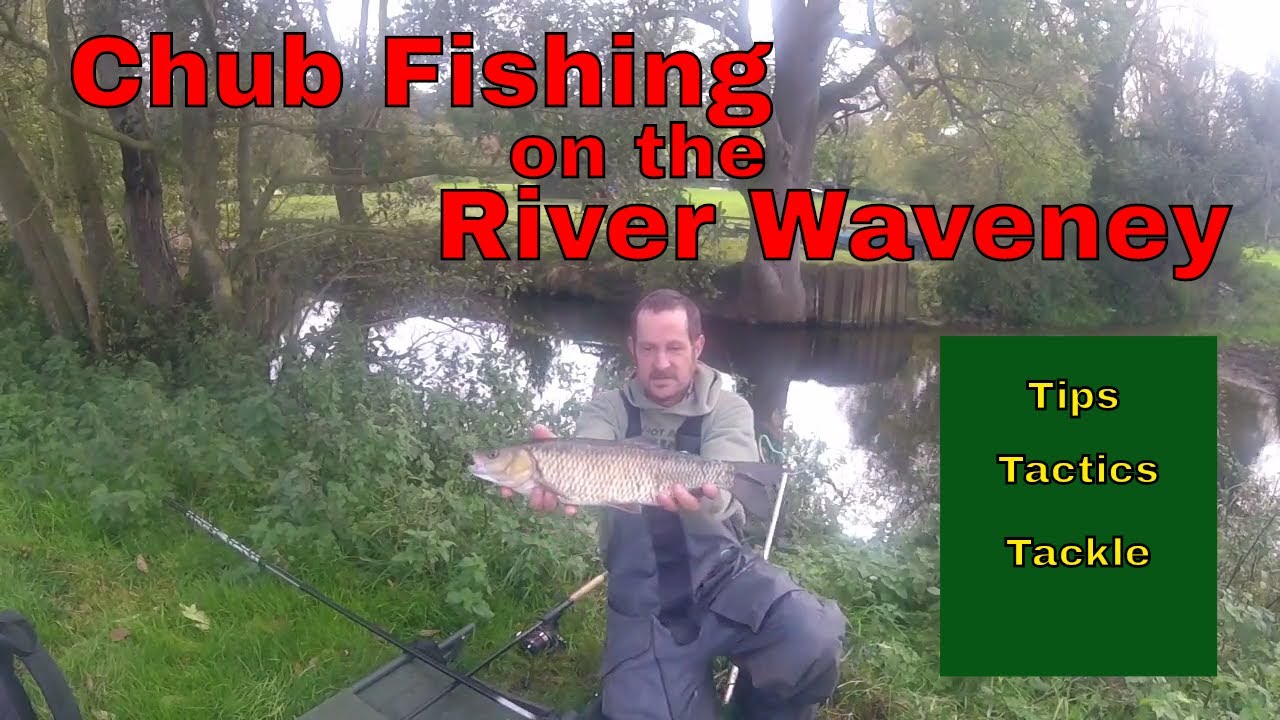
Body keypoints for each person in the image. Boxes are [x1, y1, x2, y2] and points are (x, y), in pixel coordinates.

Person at [503, 289, 848, 720]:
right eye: (648, 349)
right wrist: (557, 473)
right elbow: (588, 453)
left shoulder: (728, 408)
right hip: (641, 595)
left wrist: (703, 497)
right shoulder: (606, 409)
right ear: (632, 349)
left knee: (810, 639)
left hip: (721, 575)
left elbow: (725, 491)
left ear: (697, 347)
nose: (661, 362)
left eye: (674, 348)